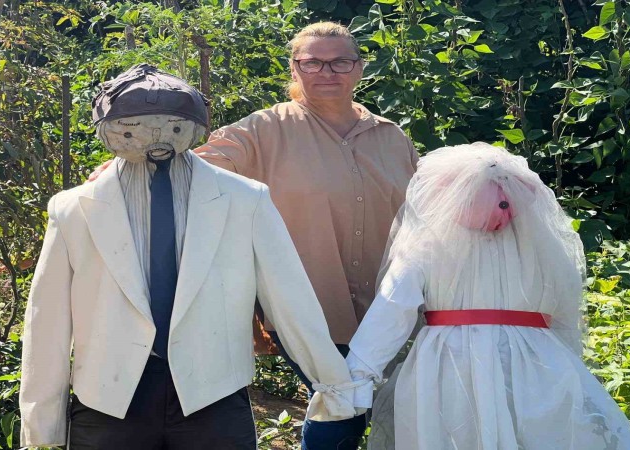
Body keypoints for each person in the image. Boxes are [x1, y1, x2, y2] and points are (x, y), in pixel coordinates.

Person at [90, 21, 418, 450]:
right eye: (312, 62)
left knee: (378, 407)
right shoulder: (263, 130)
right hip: (307, 306)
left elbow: (423, 208)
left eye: (340, 62)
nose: (327, 72)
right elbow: (193, 166)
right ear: (294, 68)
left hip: (387, 308)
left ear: (359, 68)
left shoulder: (391, 137)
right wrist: (130, 168)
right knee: (342, 407)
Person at [19, 64, 358, 450]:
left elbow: (290, 299)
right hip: (107, 398)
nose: (155, 135)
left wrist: (332, 385)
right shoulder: (73, 208)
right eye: (135, 126)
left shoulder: (244, 199)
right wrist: (41, 425)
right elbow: (47, 321)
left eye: (170, 125)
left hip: (213, 393)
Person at [345, 143, 630, 449]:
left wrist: (358, 373)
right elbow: (563, 306)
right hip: (533, 360)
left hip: (451, 358)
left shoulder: (426, 244)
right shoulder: (537, 245)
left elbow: (393, 307)